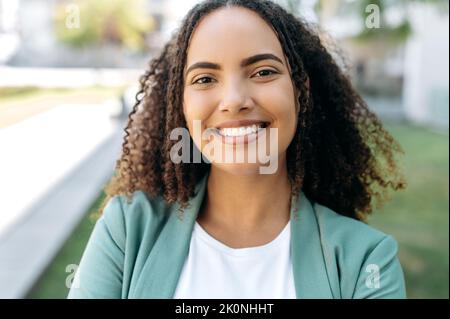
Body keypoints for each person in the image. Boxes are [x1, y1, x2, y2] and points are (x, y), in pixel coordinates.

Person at [68, 0, 407, 299]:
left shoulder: (366, 261)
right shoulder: (129, 229)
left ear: (300, 91)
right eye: (204, 79)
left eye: (263, 72)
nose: (233, 101)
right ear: (182, 104)